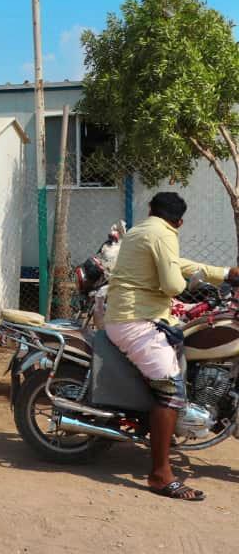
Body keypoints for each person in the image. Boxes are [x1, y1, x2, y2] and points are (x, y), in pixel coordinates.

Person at [104, 192, 239, 502]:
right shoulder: (164, 233)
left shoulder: (142, 229)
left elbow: (177, 263)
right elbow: (172, 284)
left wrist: (225, 274)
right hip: (136, 321)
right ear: (179, 221)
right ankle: (160, 475)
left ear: (152, 209)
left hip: (136, 315)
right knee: (170, 389)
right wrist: (195, 285)